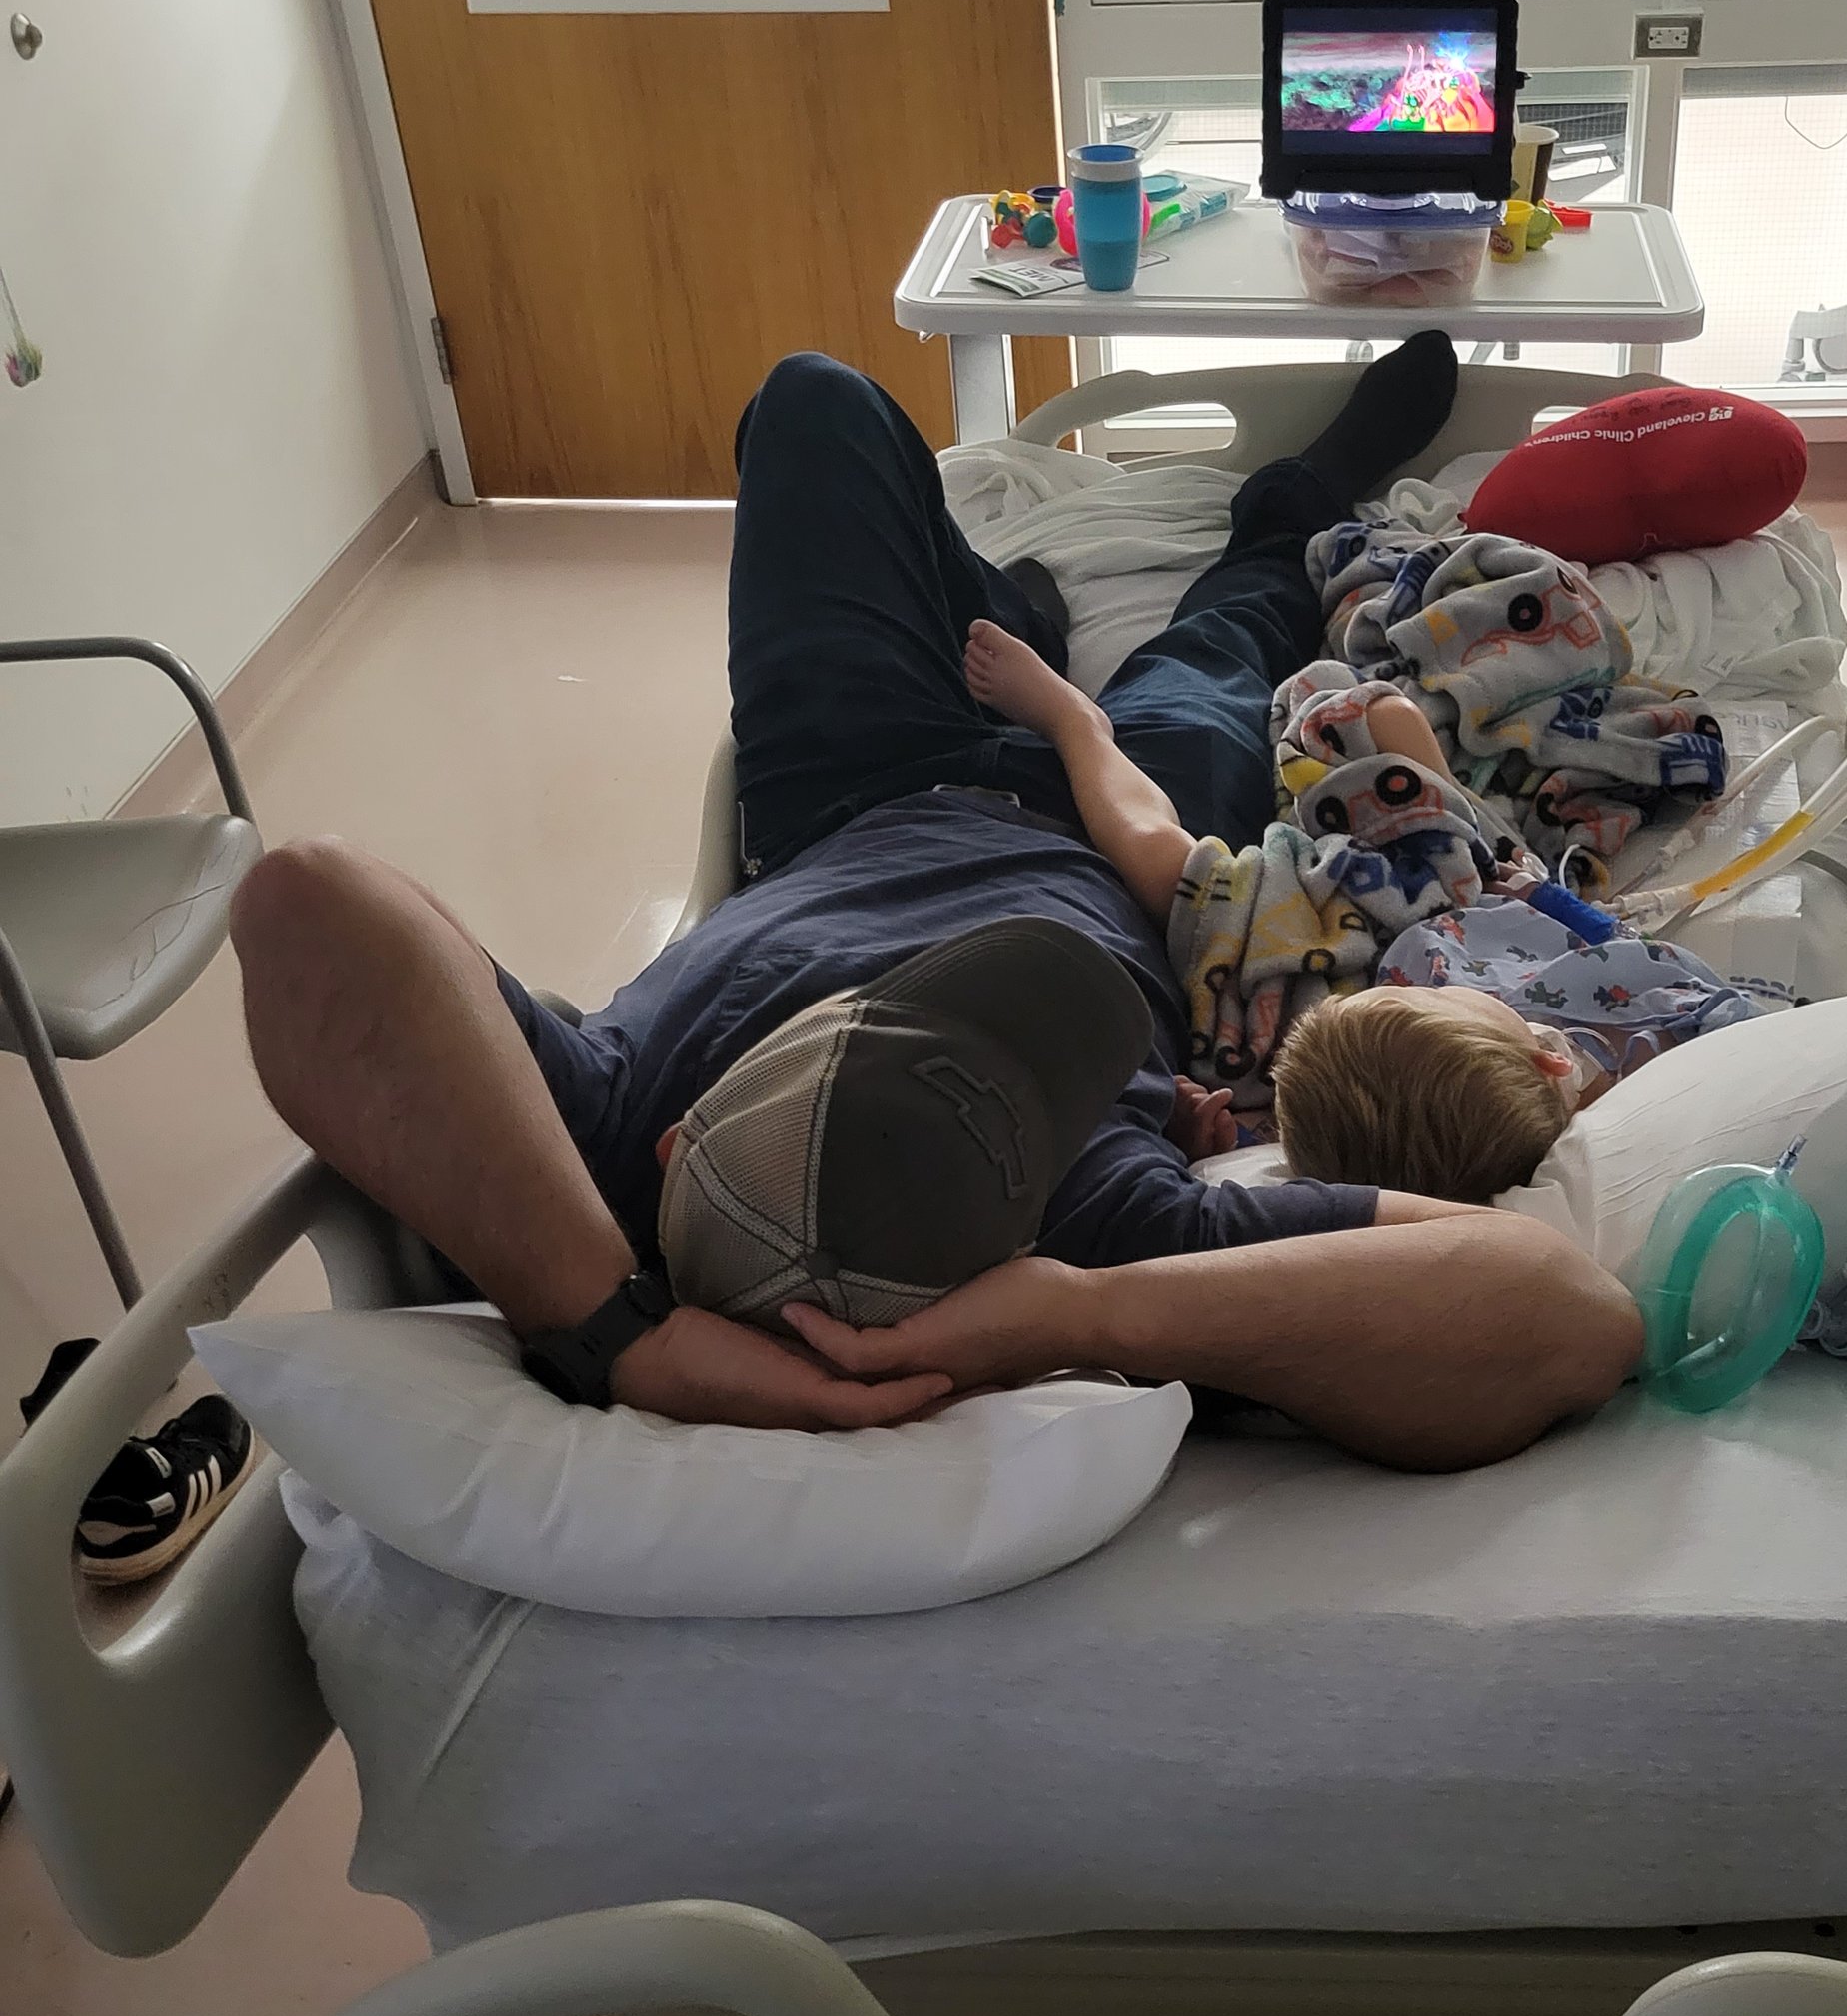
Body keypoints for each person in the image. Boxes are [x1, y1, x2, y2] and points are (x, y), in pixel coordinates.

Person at [232, 342, 1642, 1472]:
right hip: (1120, 838)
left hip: (852, 791)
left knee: (812, 400)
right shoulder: (1086, 1232)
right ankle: (1299, 491)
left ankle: (998, 605)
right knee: (1232, 624)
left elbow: (305, 903)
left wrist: (609, 1334)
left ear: (686, 1132)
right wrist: (1094, 1311)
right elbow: (1565, 1315)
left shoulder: (606, 1139)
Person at [961, 615, 1762, 1209]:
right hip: (1461, 894)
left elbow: (1265, 1147)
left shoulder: (1338, 1125)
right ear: (1550, 1062)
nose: (1420, 978)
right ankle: (1403, 761)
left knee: (1154, 850)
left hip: (1300, 970)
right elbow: (1624, 951)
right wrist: (1538, 891)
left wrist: (1201, 1137)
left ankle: (1079, 725)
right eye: (1437, 994)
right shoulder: (1607, 1062)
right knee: (1388, 719)